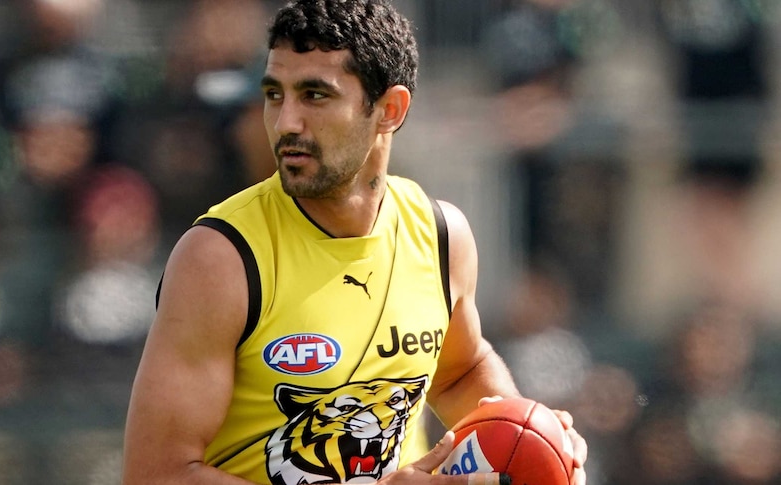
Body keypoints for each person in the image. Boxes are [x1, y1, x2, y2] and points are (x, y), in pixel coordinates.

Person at [121, 1, 588, 484]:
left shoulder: (440, 233)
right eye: (275, 95)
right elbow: (156, 475)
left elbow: (460, 370)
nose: (285, 123)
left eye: (315, 96)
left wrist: (531, 436)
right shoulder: (220, 258)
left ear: (390, 110)